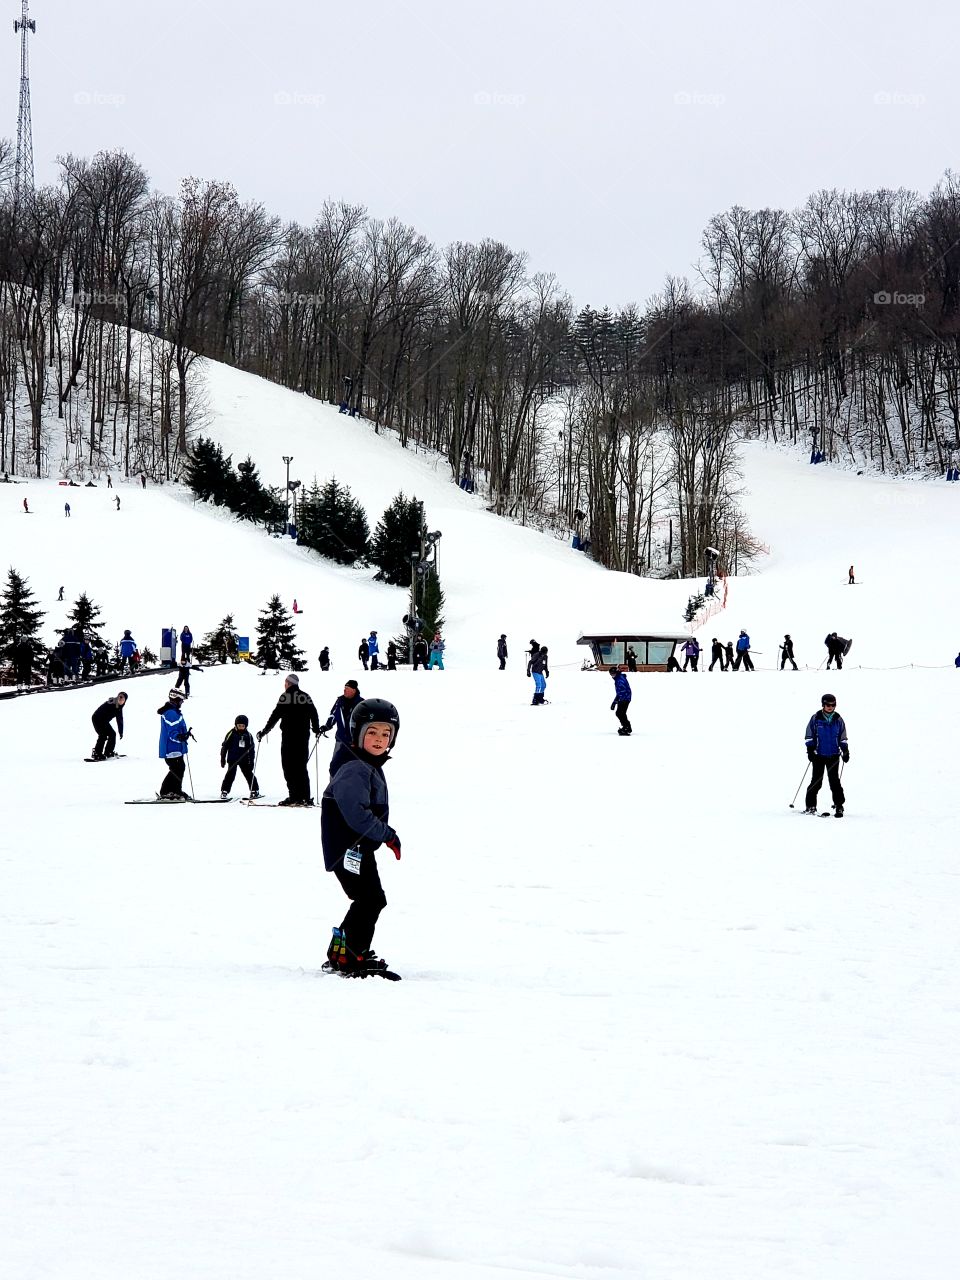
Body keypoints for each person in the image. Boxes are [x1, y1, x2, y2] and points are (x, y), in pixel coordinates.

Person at [321, 697, 402, 977]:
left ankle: (341, 952)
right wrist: (388, 835)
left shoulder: (366, 764)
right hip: (348, 850)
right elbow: (357, 814)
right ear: (358, 732)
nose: (379, 739)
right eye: (372, 732)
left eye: (385, 734)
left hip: (354, 849)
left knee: (367, 899)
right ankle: (352, 955)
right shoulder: (355, 767)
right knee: (371, 899)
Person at [257, 672, 321, 806]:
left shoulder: (285, 697)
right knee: (301, 767)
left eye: (285, 682)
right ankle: (305, 797)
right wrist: (315, 729)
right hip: (303, 738)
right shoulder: (305, 697)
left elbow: (275, 716)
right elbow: (313, 713)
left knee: (289, 767)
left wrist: (264, 731)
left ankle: (294, 796)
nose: (284, 685)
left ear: (289, 683)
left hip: (289, 738)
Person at [803, 693, 848, 817]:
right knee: (816, 781)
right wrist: (810, 750)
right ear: (823, 705)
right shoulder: (815, 718)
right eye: (828, 705)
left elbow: (843, 737)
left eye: (833, 705)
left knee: (835, 782)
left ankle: (839, 806)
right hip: (819, 755)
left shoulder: (838, 719)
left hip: (833, 755)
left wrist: (845, 751)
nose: (830, 707)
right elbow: (809, 736)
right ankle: (810, 806)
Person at [319, 679, 362, 777]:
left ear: (354, 690)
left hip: (355, 743)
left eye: (347, 688)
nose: (344, 690)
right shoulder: (340, 701)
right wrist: (327, 726)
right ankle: (333, 787)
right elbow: (333, 715)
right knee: (335, 766)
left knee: (353, 767)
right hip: (340, 739)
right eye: (344, 688)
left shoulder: (361, 703)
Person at [158, 688, 191, 800]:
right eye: (181, 700)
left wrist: (184, 735)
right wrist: (180, 737)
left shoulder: (173, 712)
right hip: (171, 748)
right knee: (177, 768)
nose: (182, 702)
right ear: (176, 699)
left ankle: (175, 790)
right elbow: (172, 732)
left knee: (178, 768)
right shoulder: (171, 713)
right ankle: (166, 791)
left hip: (175, 747)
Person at [220, 714, 260, 798]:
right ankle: (224, 791)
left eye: (243, 726)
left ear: (246, 726)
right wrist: (222, 758)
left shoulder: (248, 736)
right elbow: (225, 747)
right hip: (232, 759)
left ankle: (254, 790)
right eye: (239, 725)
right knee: (230, 775)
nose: (241, 727)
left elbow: (251, 750)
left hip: (244, 760)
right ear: (236, 725)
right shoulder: (231, 733)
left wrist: (251, 761)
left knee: (249, 774)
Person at [91, 692, 127, 760]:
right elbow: (101, 711)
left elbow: (120, 720)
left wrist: (121, 732)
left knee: (112, 734)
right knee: (103, 735)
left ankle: (108, 752)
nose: (120, 699)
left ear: (125, 701)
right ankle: (97, 753)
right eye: (120, 697)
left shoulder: (119, 707)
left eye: (122, 699)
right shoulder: (112, 703)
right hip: (97, 719)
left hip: (104, 721)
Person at [610, 665, 632, 735]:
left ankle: (626, 727)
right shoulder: (619, 678)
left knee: (620, 713)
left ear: (616, 672)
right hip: (624, 698)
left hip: (624, 698)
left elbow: (622, 691)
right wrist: (615, 701)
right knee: (620, 713)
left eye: (613, 674)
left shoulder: (619, 680)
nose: (612, 676)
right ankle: (627, 727)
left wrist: (616, 701)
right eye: (611, 674)